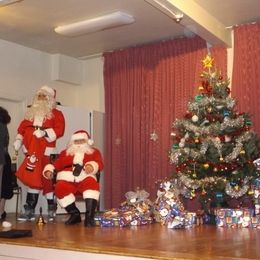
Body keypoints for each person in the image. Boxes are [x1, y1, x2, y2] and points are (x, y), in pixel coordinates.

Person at [13, 86, 65, 221]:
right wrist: (18, 140)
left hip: (47, 152)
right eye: (39, 96)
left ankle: (51, 209)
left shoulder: (57, 114)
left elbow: (59, 130)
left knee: (47, 180)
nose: (41, 99)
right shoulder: (30, 114)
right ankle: (30, 210)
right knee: (33, 180)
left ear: (50, 99)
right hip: (31, 152)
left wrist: (45, 132)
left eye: (44, 96)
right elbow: (22, 129)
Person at [43, 130, 104, 226]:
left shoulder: (94, 152)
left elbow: (99, 164)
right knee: (59, 187)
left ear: (87, 141)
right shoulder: (65, 153)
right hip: (67, 178)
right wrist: (49, 170)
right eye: (77, 141)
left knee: (92, 184)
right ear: (72, 142)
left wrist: (91, 166)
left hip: (85, 176)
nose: (79, 143)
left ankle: (89, 217)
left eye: (82, 141)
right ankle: (75, 214)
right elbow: (56, 164)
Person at [0, 107, 13, 220]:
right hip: (4, 158)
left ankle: (1, 211)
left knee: (2, 185)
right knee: (3, 186)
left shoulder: (1, 126)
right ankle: (1, 211)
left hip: (2, 158)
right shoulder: (4, 126)